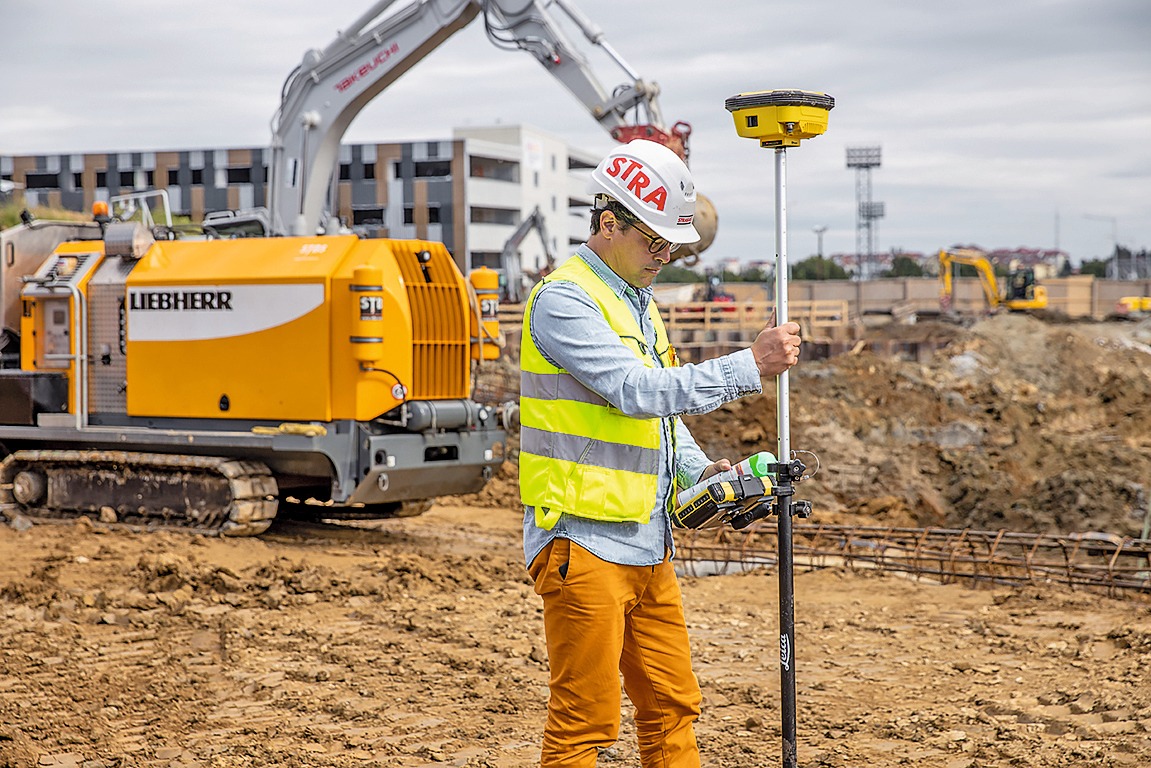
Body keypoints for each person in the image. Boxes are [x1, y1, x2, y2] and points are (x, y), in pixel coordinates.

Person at [519, 138, 802, 768]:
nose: (666, 256)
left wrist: (705, 474)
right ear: (610, 222)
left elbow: (663, 421)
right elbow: (636, 390)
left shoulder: (640, 306)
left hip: (648, 543)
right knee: (583, 724)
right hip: (583, 543)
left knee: (673, 710)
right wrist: (748, 366)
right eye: (655, 242)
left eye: (672, 246)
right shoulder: (565, 299)